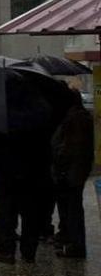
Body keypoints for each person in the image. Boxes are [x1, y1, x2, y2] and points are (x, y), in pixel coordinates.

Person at [0, 126, 51, 264]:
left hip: (4, 172)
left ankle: (6, 251)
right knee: (30, 213)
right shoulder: (37, 112)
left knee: (5, 212)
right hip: (31, 172)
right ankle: (29, 252)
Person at [51, 88, 94, 259]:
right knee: (72, 208)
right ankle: (72, 241)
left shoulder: (73, 119)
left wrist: (59, 165)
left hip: (69, 173)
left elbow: (67, 149)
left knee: (72, 209)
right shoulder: (82, 117)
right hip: (76, 172)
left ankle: (76, 246)